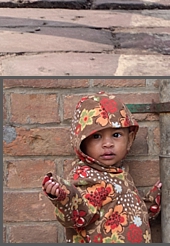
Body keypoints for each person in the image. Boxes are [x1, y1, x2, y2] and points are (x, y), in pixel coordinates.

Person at [41, 94, 162, 243]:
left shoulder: (119, 174)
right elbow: (77, 214)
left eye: (116, 135)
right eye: (97, 136)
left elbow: (133, 213)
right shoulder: (86, 178)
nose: (107, 144)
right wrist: (64, 196)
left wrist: (155, 199)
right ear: (81, 142)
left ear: (129, 139)